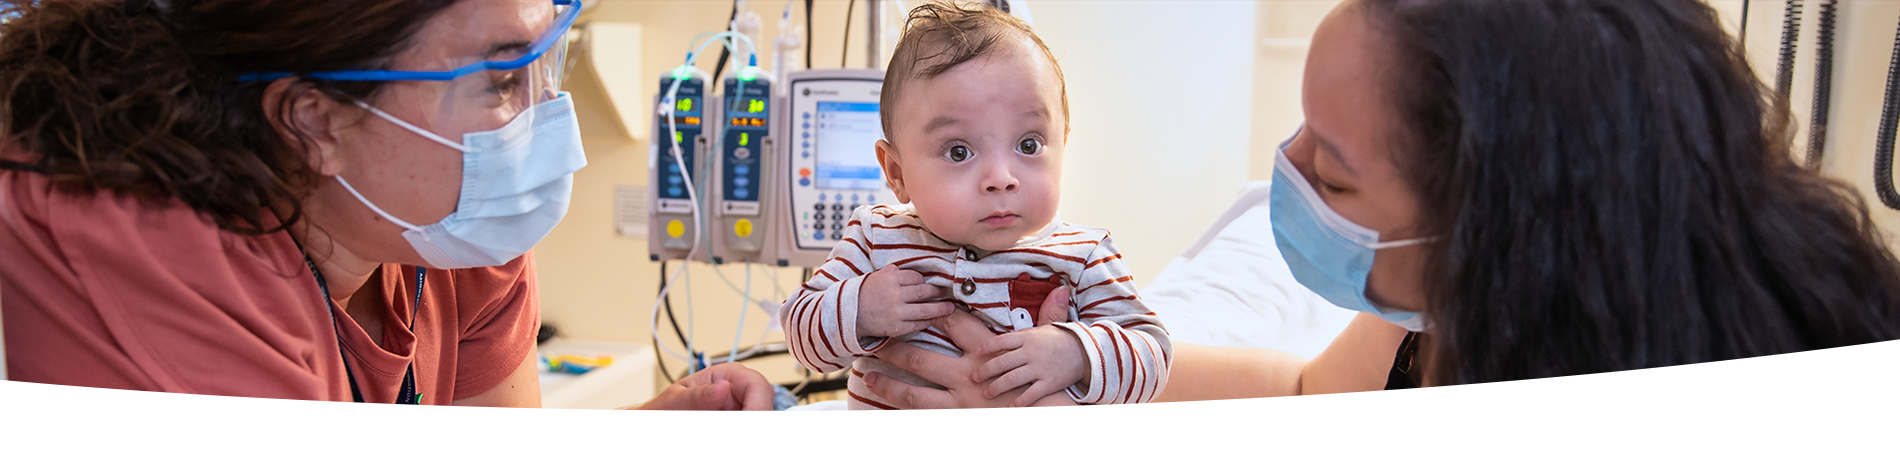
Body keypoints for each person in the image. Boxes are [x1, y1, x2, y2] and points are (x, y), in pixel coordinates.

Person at [861, 0, 1900, 410]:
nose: (1288, 170)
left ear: (1495, 224)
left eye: (1337, 172)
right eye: (1303, 128)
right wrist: (1075, 376)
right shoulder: (1449, 315)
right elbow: (1307, 398)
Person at [0, 0, 772, 410]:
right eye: (503, 81)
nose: (546, 123)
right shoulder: (152, 244)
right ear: (314, 121)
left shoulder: (465, 231)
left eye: (551, 56)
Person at [779, 2, 1169, 411]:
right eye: (958, 151)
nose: (1001, 177)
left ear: (1063, 148)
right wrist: (860, 309)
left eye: (1029, 144)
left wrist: (1076, 353)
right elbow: (801, 337)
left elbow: (1153, 356)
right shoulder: (875, 239)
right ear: (897, 173)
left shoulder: (1084, 256)